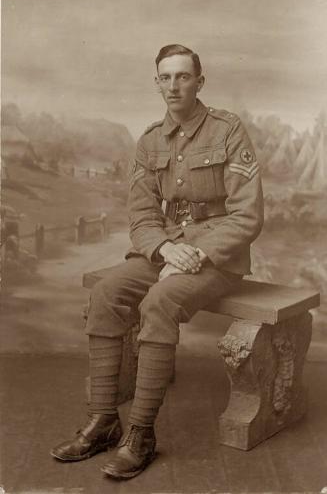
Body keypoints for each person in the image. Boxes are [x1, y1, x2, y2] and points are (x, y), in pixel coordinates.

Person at [51, 44, 264, 480]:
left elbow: (247, 216)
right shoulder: (149, 140)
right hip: (167, 247)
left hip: (218, 257)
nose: (173, 86)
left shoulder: (228, 129)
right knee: (107, 292)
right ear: (156, 83)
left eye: (183, 77)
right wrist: (167, 250)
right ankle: (103, 421)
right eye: (165, 78)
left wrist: (196, 253)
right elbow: (142, 216)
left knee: (160, 302)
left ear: (199, 82)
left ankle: (140, 434)